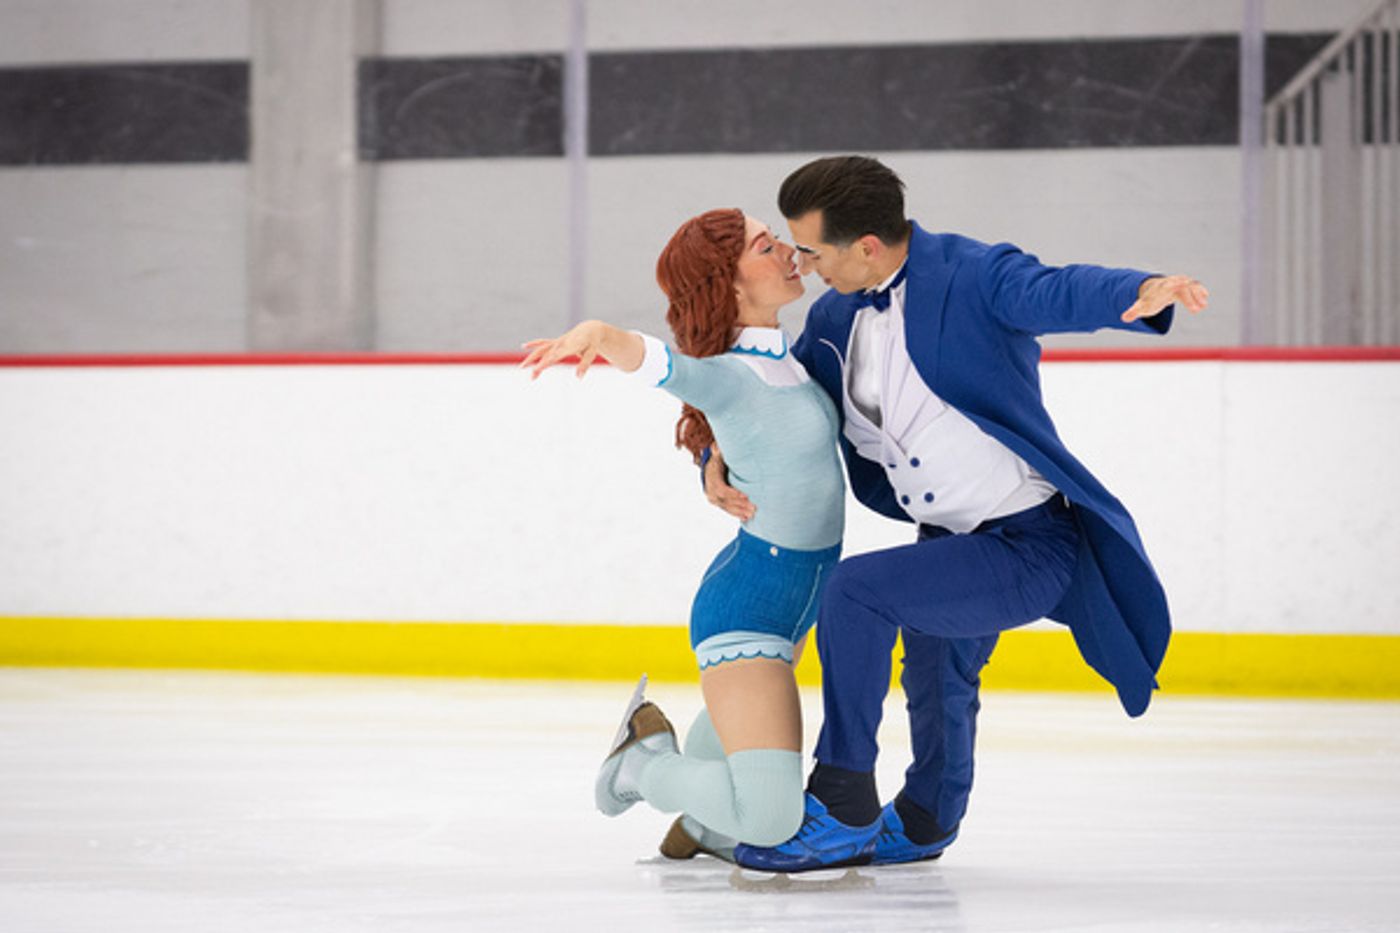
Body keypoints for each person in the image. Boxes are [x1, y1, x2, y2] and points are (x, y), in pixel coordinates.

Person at [700, 156, 1210, 872]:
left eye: (812, 249)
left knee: (858, 592)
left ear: (867, 246)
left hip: (1029, 542)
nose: (802, 263)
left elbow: (1054, 289)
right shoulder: (835, 316)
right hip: (948, 539)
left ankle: (842, 800)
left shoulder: (972, 275)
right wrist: (712, 456)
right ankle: (927, 817)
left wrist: (1140, 290)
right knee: (936, 673)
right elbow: (774, 404)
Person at [521, 208, 846, 861]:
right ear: (729, 284)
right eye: (764, 245)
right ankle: (644, 763)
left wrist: (710, 458)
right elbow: (666, 366)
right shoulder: (729, 375)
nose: (786, 250)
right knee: (773, 816)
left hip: (801, 599)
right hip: (751, 607)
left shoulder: (795, 362)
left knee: (746, 747)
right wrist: (604, 334)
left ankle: (701, 824)